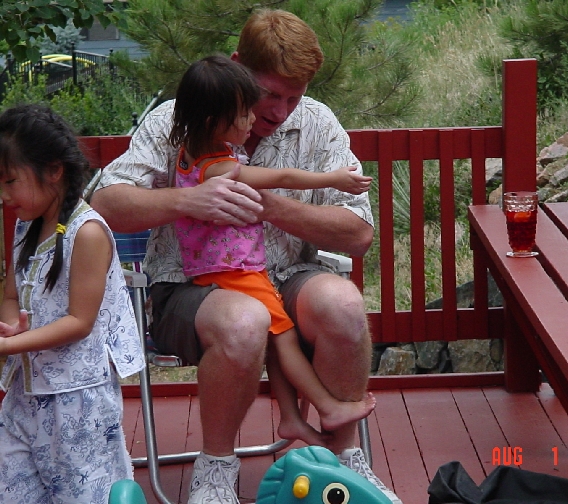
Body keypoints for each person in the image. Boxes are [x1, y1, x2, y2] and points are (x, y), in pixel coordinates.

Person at [91, 8, 402, 504]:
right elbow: (106, 202)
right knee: (245, 320)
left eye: (293, 97)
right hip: (192, 288)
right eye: (269, 94)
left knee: (342, 305)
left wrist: (268, 205)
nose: (280, 111)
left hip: (287, 276)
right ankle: (215, 468)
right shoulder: (178, 119)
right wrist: (188, 200)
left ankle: (346, 462)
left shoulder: (317, 123)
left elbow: (359, 234)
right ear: (238, 65)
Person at [170, 54, 377, 447]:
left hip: (231, 269)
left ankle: (291, 419)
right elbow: (282, 176)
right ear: (214, 121)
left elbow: (360, 234)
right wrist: (333, 179)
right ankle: (326, 407)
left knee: (277, 332)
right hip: (236, 272)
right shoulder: (220, 167)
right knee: (285, 338)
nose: (252, 120)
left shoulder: (192, 151)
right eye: (243, 114)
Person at [0, 104, 145, 504]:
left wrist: (11, 344)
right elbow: (10, 296)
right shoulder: (26, 225)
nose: (4, 195)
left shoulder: (88, 232)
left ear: (54, 170)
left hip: (78, 400)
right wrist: (11, 328)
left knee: (83, 494)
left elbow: (80, 321)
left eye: (10, 181)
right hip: (25, 393)